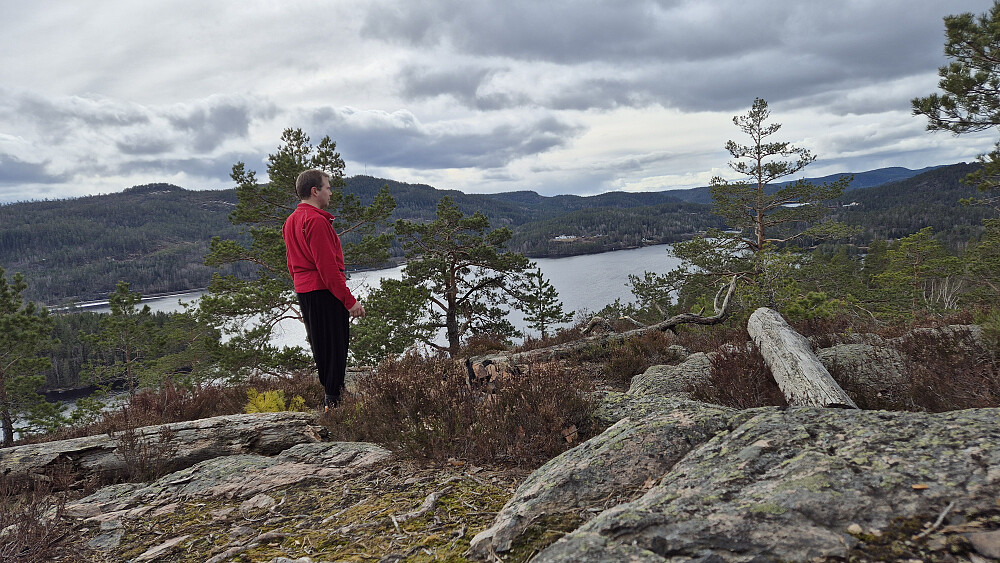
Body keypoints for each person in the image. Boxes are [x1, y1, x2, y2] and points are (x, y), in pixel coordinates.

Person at [282, 169, 366, 412]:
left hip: (306, 291)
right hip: (324, 291)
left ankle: (333, 396)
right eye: (327, 187)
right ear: (314, 191)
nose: (330, 192)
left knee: (322, 346)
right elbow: (328, 269)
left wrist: (302, 288)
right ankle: (335, 401)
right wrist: (350, 302)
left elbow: (291, 264)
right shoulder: (316, 220)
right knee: (335, 345)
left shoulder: (291, 221)